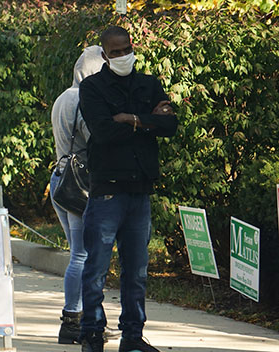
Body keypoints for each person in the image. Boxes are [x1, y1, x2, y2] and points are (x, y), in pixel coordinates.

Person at [78, 26, 178, 352]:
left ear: (132, 47)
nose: (122, 56)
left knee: (136, 272)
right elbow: (103, 131)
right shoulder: (92, 88)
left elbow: (170, 125)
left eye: (126, 50)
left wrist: (130, 118)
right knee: (96, 267)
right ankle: (92, 333)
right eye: (115, 52)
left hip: (140, 189)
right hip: (107, 190)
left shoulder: (148, 83)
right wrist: (148, 120)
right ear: (105, 55)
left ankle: (133, 338)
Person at [50, 45, 106, 344]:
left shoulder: (63, 97)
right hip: (82, 183)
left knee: (79, 254)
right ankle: (73, 320)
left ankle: (89, 317)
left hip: (60, 177)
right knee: (82, 255)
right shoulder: (86, 99)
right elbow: (96, 140)